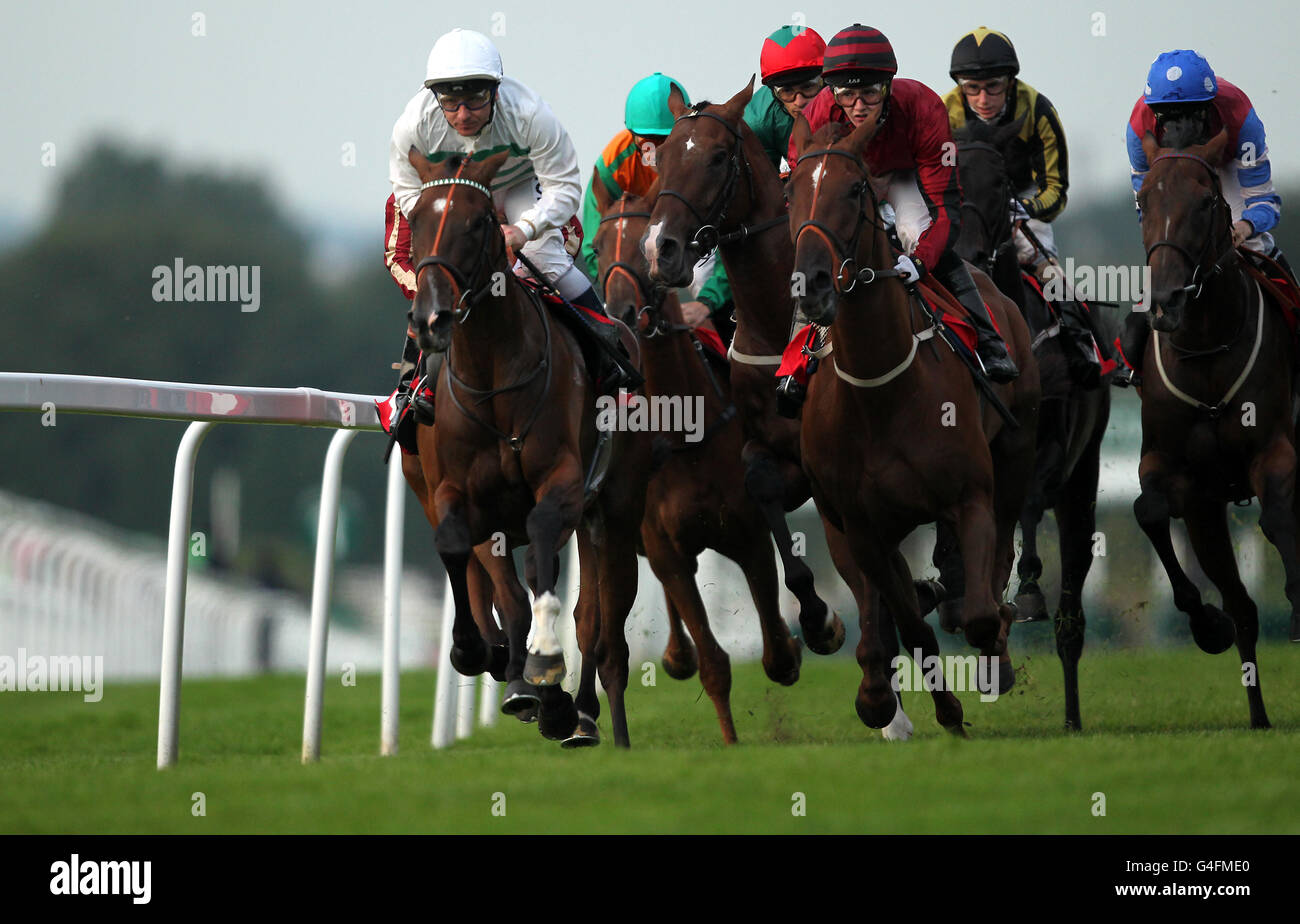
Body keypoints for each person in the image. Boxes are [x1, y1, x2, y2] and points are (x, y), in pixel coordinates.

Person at [381, 28, 639, 451]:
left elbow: (565, 188)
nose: (463, 113)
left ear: (496, 91)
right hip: (453, 188)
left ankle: (609, 355)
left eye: (475, 99)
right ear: (434, 98)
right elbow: (409, 193)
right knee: (439, 276)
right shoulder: (412, 124)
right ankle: (414, 385)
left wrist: (522, 229)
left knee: (548, 257)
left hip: (520, 185)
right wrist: (456, 222)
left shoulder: (530, 113)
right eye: (450, 101)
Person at [785, 23, 1019, 386]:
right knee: (818, 245)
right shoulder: (816, 115)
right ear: (832, 93)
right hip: (847, 181)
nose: (859, 106)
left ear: (889, 86)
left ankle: (989, 340)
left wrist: (921, 260)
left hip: (903, 175)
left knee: (913, 231)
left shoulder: (924, 108)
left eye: (870, 93)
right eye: (847, 95)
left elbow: (945, 210)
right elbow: (803, 195)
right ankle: (794, 362)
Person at [1118, 49, 1288, 384]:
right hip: (1174, 172)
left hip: (1226, 168)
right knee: (1168, 248)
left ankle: (1289, 314)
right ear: (1155, 114)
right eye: (1168, 117)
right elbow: (1148, 208)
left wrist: (1245, 226)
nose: (1179, 124)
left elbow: (1264, 200)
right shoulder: (1139, 130)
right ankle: (1132, 353)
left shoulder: (1239, 117)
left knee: (1258, 245)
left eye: (1191, 114)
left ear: (1209, 107)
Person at [577, 73, 731, 332]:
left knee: (721, 309)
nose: (656, 151)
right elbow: (597, 245)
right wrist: (624, 280)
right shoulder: (613, 165)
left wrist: (709, 300)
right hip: (638, 255)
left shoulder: (703, 159)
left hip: (692, 245)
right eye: (649, 140)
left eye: (666, 139)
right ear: (631, 133)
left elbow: (727, 231)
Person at [945, 26, 1067, 274]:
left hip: (1022, 197)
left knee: (1051, 277)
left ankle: (1070, 308)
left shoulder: (1038, 110)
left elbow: (1056, 188)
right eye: (972, 88)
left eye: (993, 86)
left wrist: (1026, 208)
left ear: (1010, 83)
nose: (983, 99)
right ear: (960, 86)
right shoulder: (943, 113)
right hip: (966, 203)